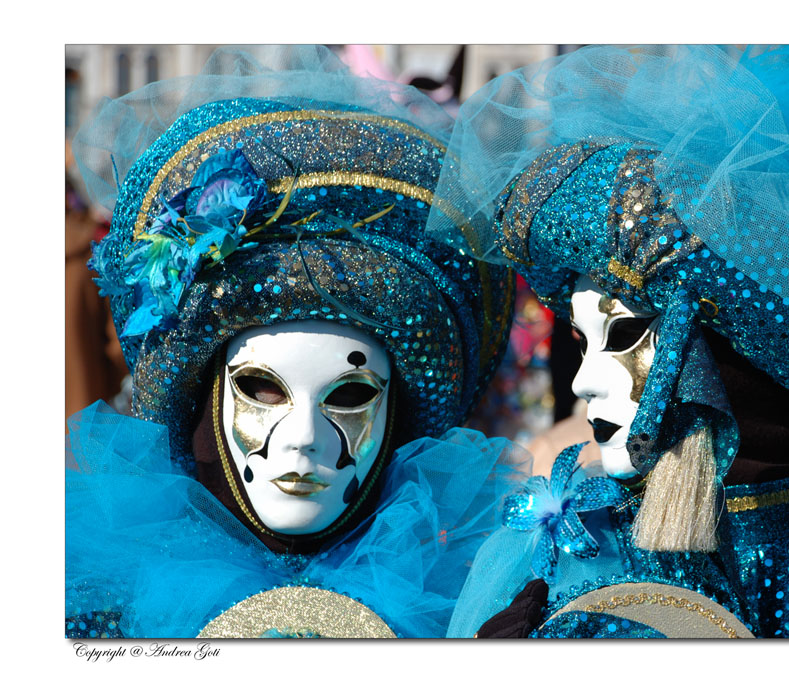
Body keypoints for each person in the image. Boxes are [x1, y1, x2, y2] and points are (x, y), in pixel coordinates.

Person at [428, 44, 789, 638]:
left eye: (622, 335)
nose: (582, 382)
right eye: (582, 342)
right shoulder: (559, 551)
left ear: (731, 356)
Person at [65, 45, 517, 639]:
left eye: (350, 396)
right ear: (205, 403)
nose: (304, 437)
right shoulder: (107, 610)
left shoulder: (468, 604)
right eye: (261, 390)